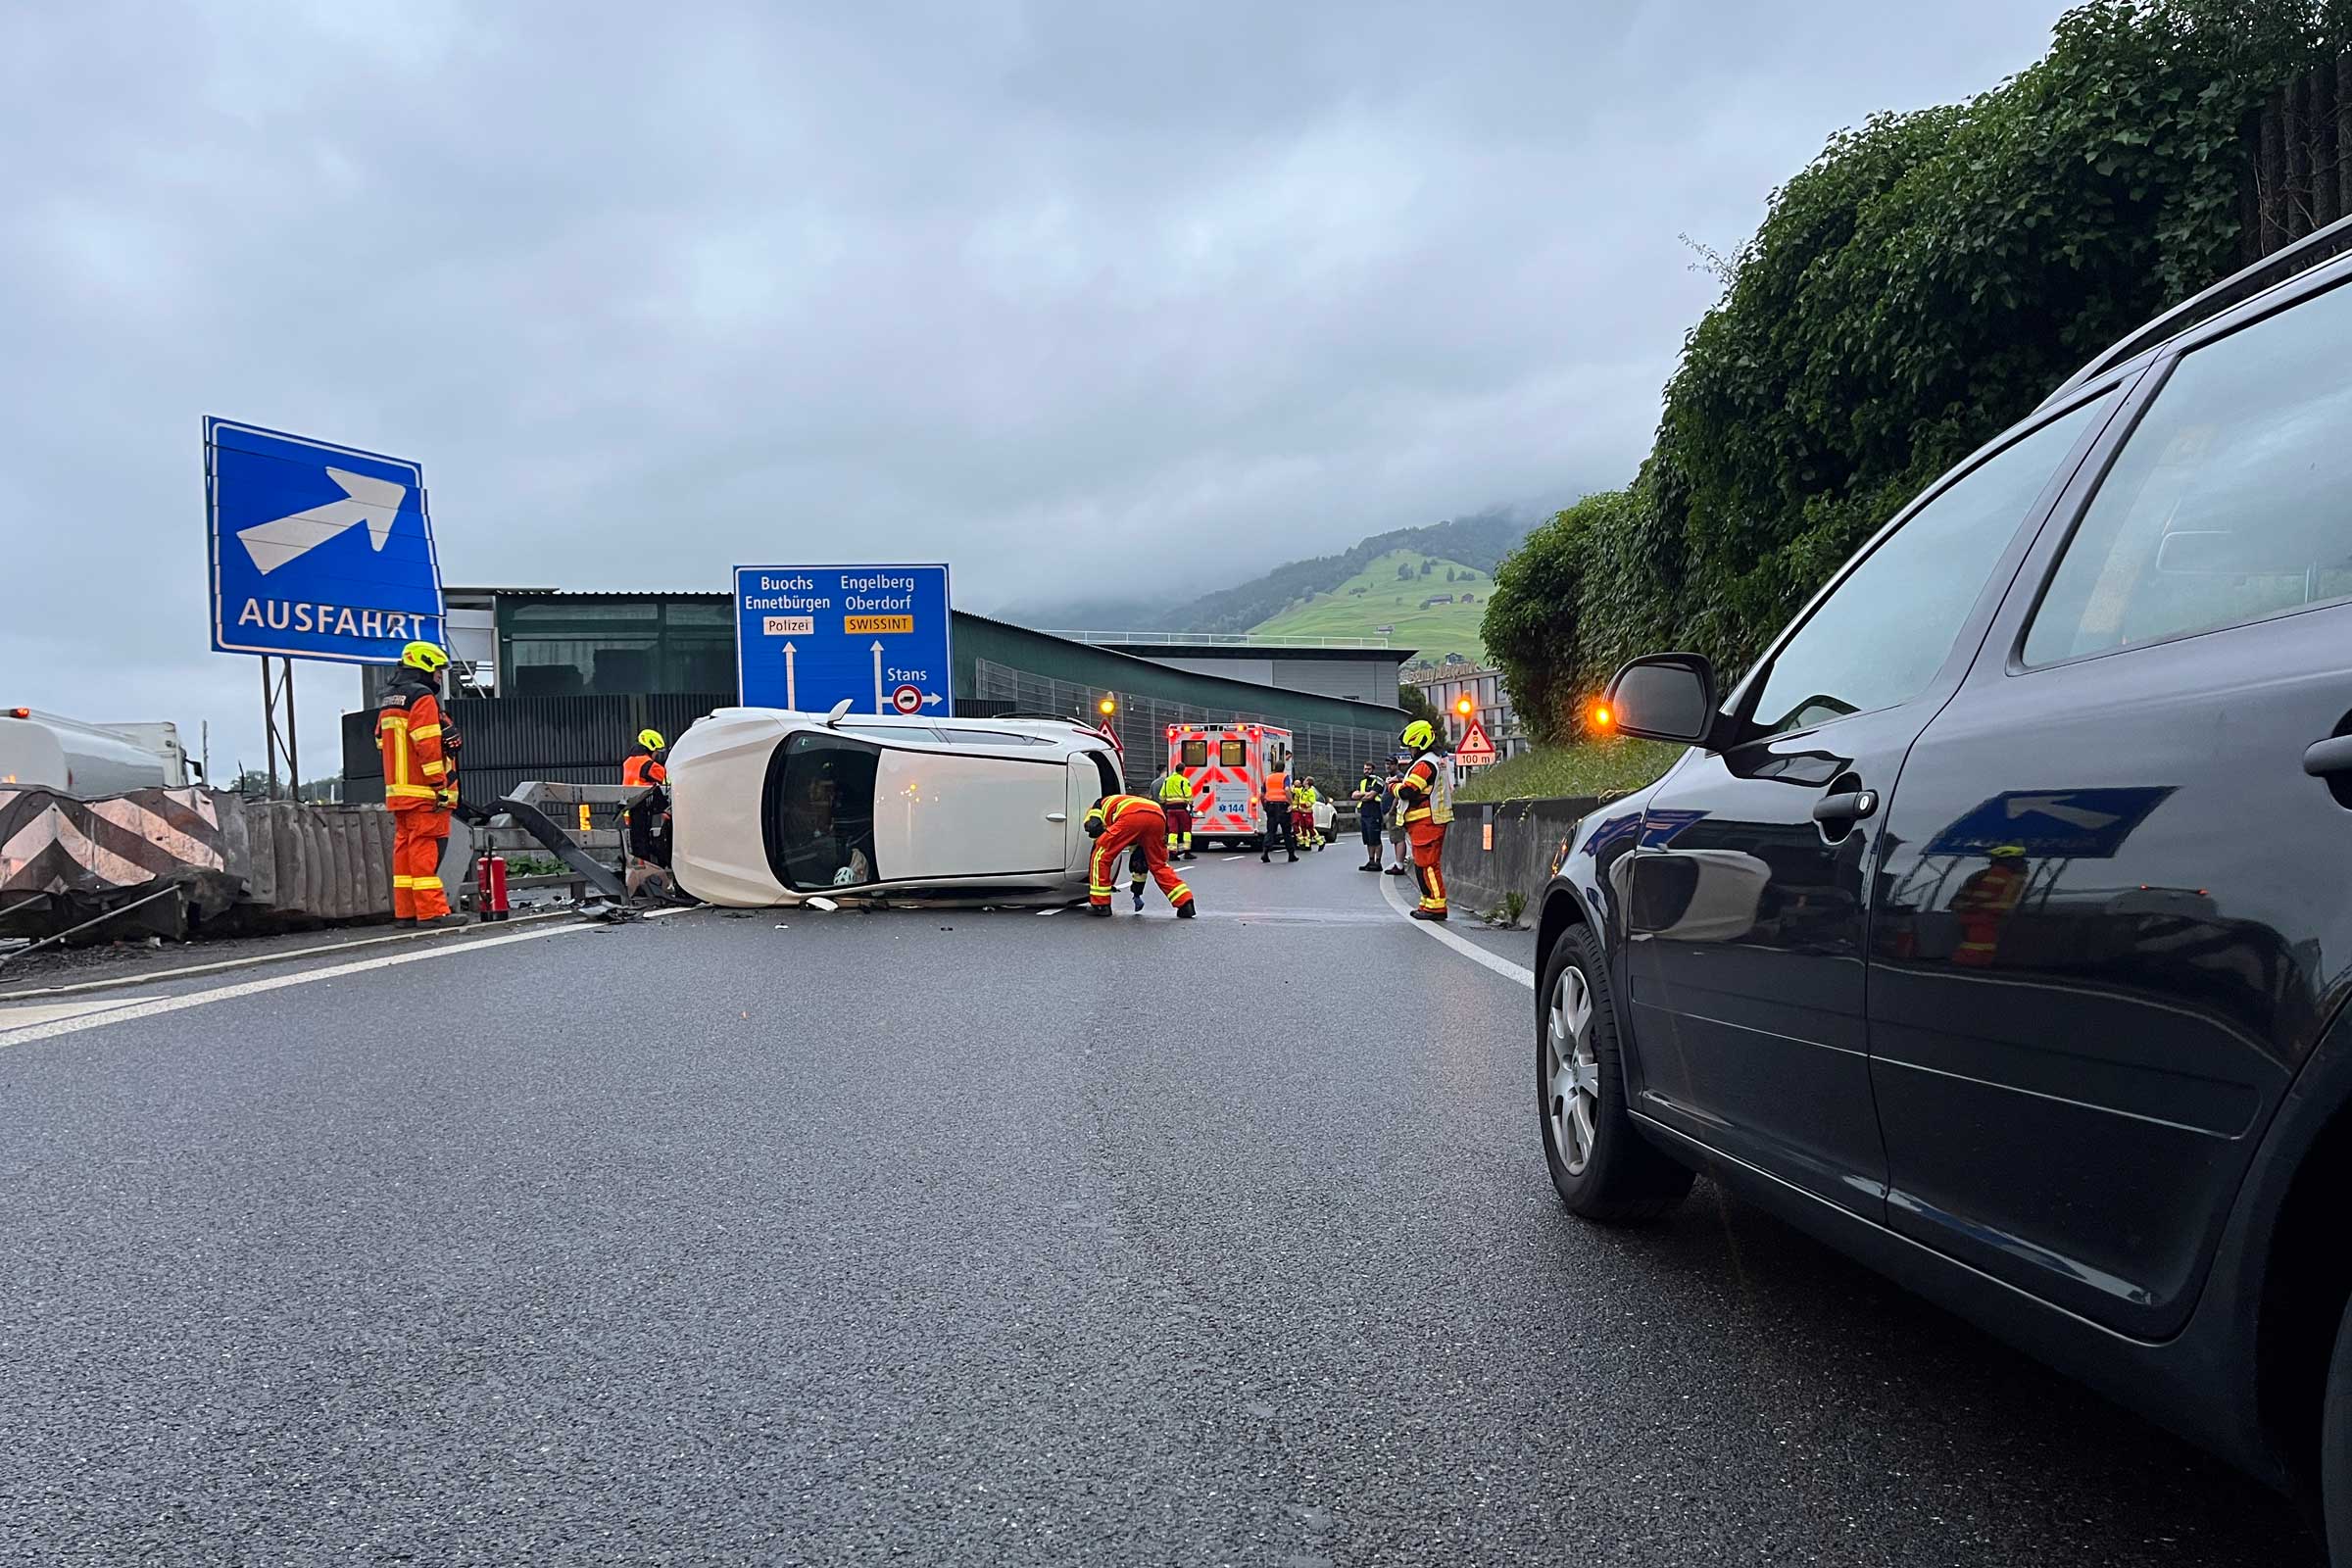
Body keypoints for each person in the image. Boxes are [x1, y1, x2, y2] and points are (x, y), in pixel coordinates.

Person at [375, 640, 466, 926]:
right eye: (438, 669)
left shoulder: (390, 699)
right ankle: (432, 912)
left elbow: (380, 740)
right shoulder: (422, 697)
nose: (439, 675)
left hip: (399, 792)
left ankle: (406, 912)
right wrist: (439, 785)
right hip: (425, 792)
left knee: (405, 852)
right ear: (425, 666)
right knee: (426, 851)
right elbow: (427, 745)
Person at [1084, 793, 1197, 918]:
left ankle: (1100, 904)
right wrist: (1137, 890)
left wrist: (1101, 838)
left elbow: (1093, 827)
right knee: (1158, 864)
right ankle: (1185, 903)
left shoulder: (1095, 808)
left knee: (1101, 856)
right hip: (1157, 816)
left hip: (1131, 816)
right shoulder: (1122, 802)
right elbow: (1139, 861)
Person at [1393, 720, 1453, 921]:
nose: (1410, 751)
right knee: (1422, 865)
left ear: (1419, 743)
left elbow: (1408, 791)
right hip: (1427, 822)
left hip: (1427, 823)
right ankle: (1427, 902)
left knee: (1427, 865)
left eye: (1411, 747)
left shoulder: (1425, 764)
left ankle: (1436, 905)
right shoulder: (1434, 760)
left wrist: (1393, 787)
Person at [1155, 765, 1199, 859]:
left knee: (1172, 831)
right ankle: (1187, 852)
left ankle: (1172, 853)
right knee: (1186, 830)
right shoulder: (1184, 780)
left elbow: (1161, 795)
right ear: (1183, 770)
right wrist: (1190, 804)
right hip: (1181, 808)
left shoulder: (1167, 781)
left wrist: (1164, 805)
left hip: (1170, 809)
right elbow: (1188, 795)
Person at [1259, 759, 1296, 862]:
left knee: (1270, 831)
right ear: (1283, 768)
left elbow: (1262, 795)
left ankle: (1265, 852)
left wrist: (1265, 806)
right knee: (1286, 832)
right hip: (1283, 805)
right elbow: (1287, 790)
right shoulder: (1285, 777)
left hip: (1270, 805)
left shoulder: (1268, 778)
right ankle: (1291, 855)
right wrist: (1291, 803)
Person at [1353, 765, 1388, 870]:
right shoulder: (1363, 782)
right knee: (1368, 839)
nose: (1366, 771)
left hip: (1375, 812)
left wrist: (1362, 795)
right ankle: (1371, 860)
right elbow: (1354, 795)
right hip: (1364, 813)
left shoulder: (1378, 782)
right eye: (1365, 769)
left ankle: (1378, 862)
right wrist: (1365, 794)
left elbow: (1371, 796)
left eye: (1369, 769)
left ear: (1373, 770)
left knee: (1375, 838)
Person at [1384, 761, 1411, 876]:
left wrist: (1392, 809)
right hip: (1391, 812)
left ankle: (1399, 865)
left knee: (1398, 838)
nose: (1387, 766)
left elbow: (1399, 789)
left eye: (1390, 764)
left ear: (1396, 765)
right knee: (1395, 839)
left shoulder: (1398, 776)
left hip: (1395, 812)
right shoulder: (1391, 778)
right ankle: (1398, 863)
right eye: (1386, 764)